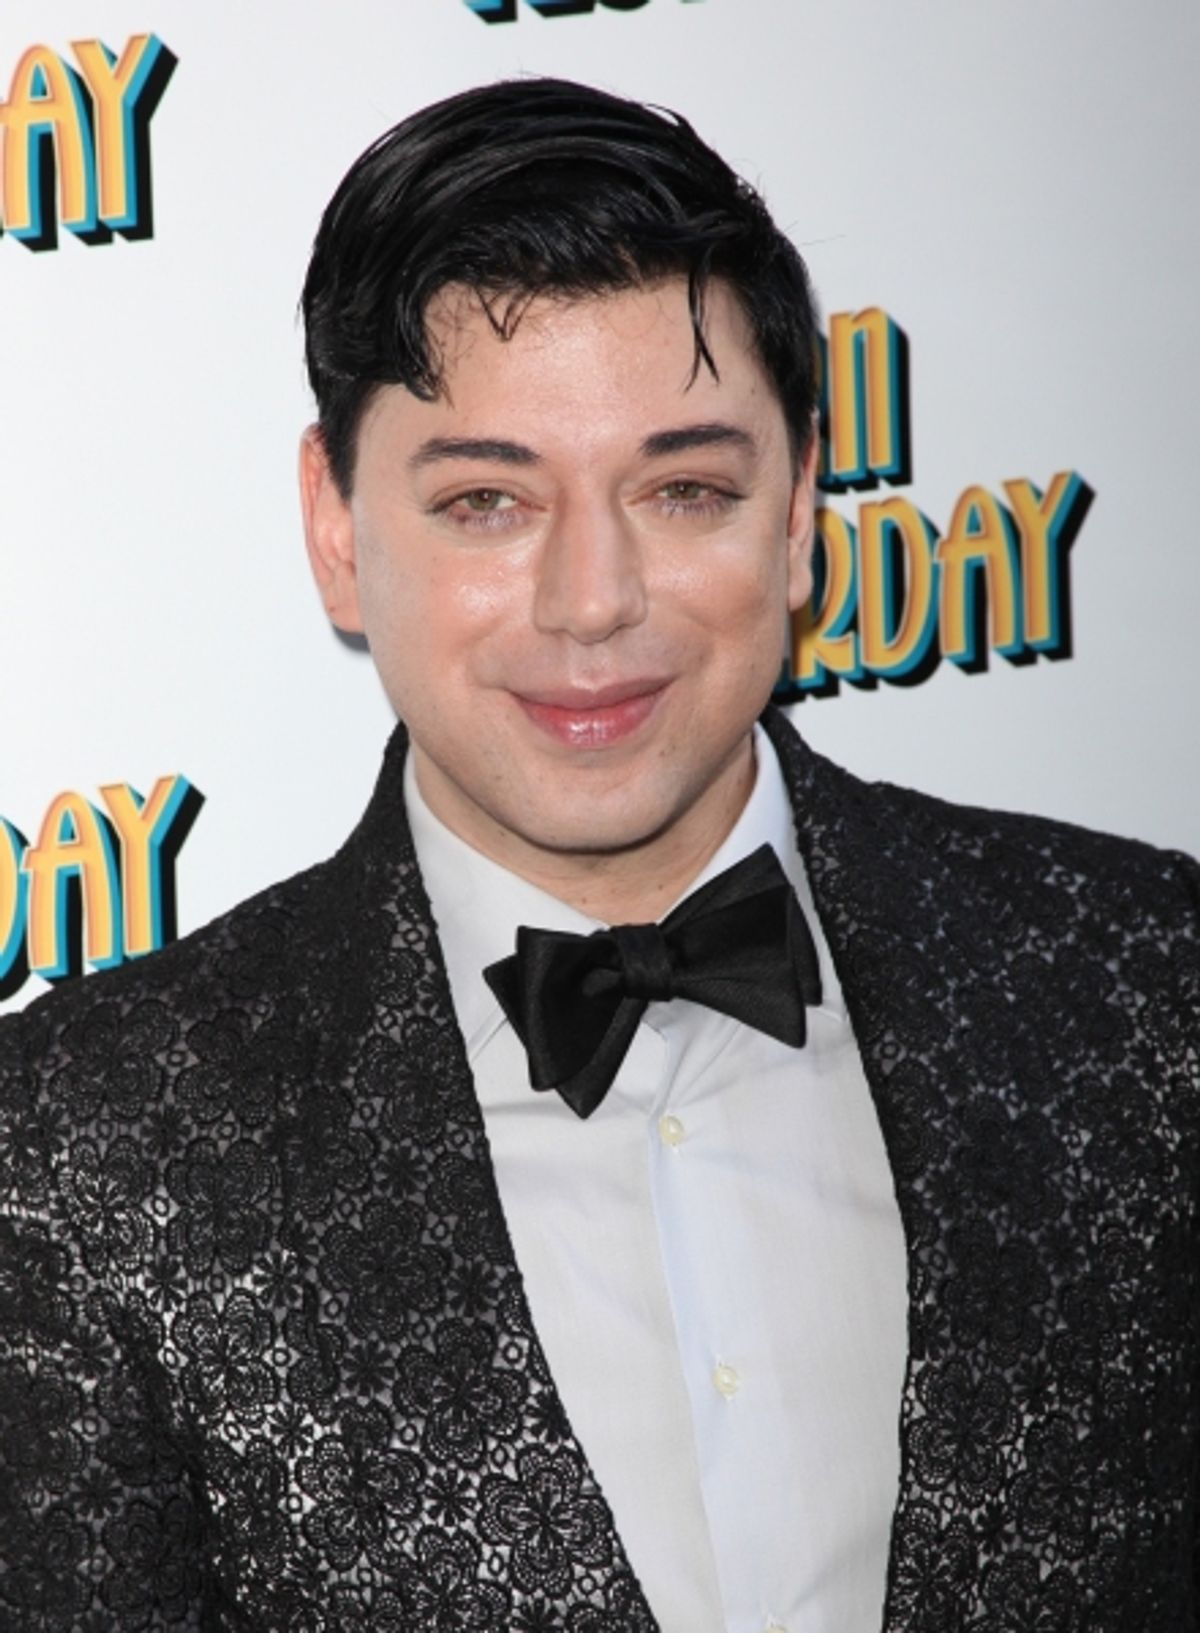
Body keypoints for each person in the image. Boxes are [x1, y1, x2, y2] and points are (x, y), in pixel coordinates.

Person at [1, 76, 1197, 1633]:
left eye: (684, 488)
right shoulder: (79, 1154)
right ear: (340, 527)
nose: (592, 600)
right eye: (490, 501)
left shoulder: (1149, 988)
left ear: (798, 513)